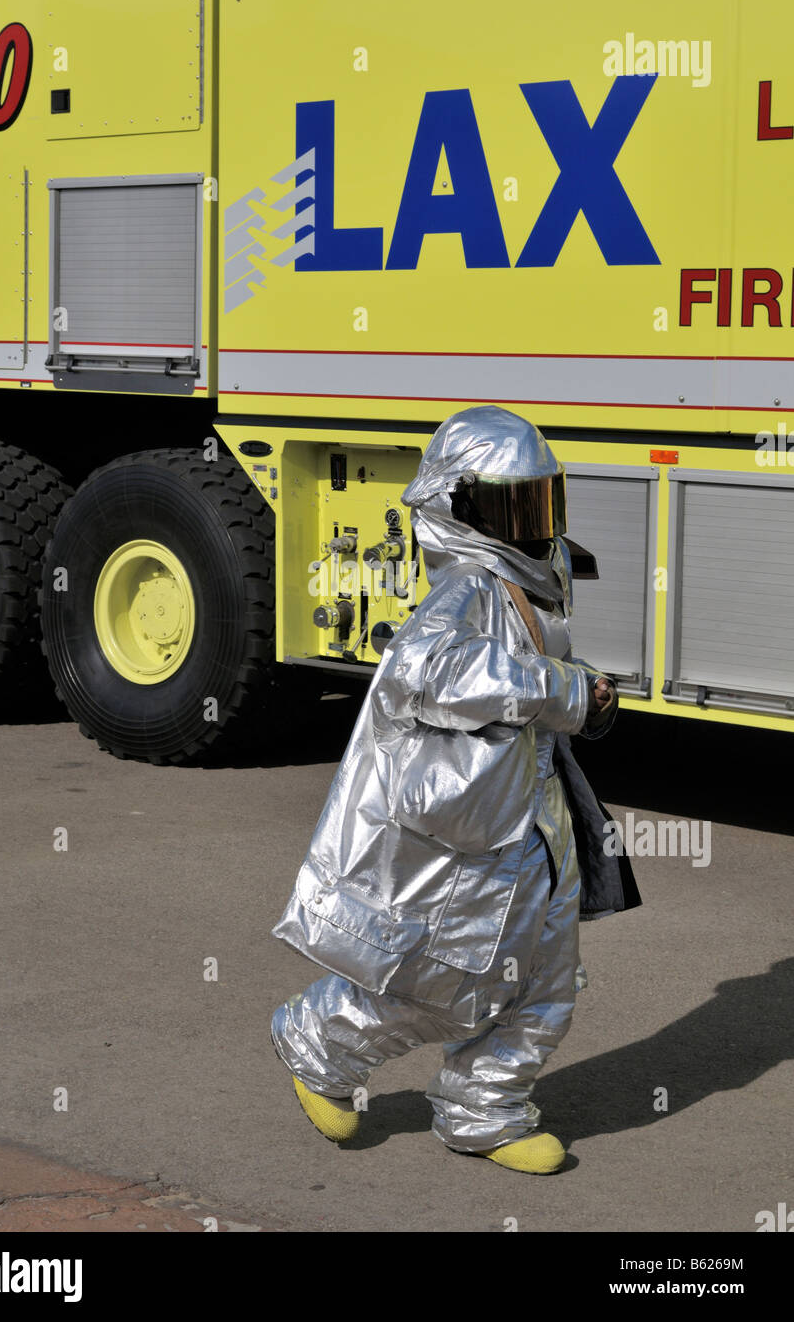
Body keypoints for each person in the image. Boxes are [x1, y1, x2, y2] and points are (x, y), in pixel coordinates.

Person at [270, 405, 640, 1174]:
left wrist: (580, 702)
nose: (525, 523)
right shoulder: (468, 587)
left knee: (547, 981)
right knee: (445, 979)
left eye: (534, 502)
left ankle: (486, 1112)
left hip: (532, 819)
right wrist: (569, 691)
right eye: (506, 505)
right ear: (455, 506)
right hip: (475, 828)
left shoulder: (519, 582)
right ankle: (318, 1043)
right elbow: (427, 671)